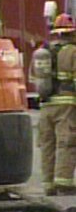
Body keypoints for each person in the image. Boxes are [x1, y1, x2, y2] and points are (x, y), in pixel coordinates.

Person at [33, 13, 76, 196]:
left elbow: (34, 77)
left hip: (45, 105)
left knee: (47, 145)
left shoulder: (45, 51)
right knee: (66, 143)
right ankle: (64, 183)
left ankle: (48, 184)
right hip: (65, 105)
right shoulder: (73, 52)